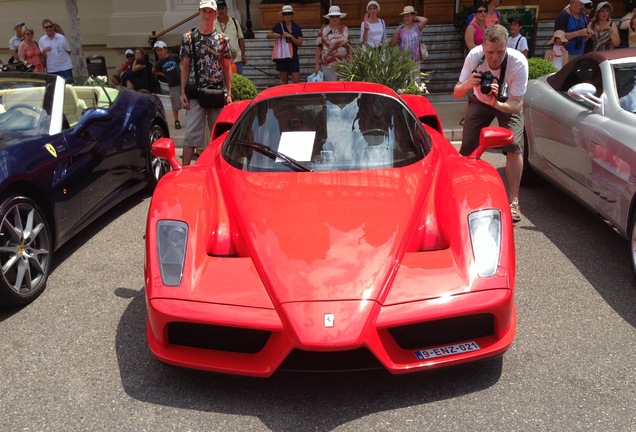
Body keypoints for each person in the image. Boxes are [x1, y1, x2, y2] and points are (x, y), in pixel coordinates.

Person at [453, 24, 529, 223]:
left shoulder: (518, 62)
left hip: (506, 102)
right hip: (479, 100)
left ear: (507, 47)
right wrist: (469, 84)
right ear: (483, 47)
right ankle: (465, 193)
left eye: (500, 52)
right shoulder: (474, 56)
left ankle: (513, 200)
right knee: (468, 147)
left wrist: (497, 103)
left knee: (514, 146)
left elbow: (517, 105)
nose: (494, 57)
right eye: (489, 52)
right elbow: (457, 92)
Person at [180, 0, 233, 166]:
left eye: (210, 11)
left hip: (216, 93)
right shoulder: (189, 38)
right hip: (196, 93)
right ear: (199, 12)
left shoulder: (223, 39)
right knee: (191, 136)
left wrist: (229, 93)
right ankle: (182, 171)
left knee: (220, 137)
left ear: (216, 14)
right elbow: (185, 67)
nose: (207, 15)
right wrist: (182, 92)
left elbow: (226, 68)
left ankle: (220, 169)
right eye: (204, 11)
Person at [267, 5, 303, 85]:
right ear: (282, 16)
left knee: (296, 79)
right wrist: (274, 34)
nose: (287, 16)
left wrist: (290, 36)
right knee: (284, 79)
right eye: (285, 14)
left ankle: (296, 95)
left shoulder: (297, 27)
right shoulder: (279, 26)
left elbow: (299, 43)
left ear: (292, 15)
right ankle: (285, 96)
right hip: (282, 56)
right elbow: (268, 35)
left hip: (293, 55)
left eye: (289, 14)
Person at [314, 5, 350, 82]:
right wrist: (317, 64)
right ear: (329, 18)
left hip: (343, 64)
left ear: (339, 17)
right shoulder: (323, 30)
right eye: (332, 16)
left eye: (336, 16)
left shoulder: (345, 29)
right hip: (328, 64)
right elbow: (318, 48)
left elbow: (349, 45)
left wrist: (350, 59)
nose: (334, 18)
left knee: (343, 88)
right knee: (331, 88)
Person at [152, 40, 183, 129]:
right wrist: (162, 74)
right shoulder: (159, 63)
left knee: (187, 100)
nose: (159, 52)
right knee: (175, 102)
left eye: (161, 50)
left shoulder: (173, 57)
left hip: (181, 81)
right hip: (172, 84)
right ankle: (176, 120)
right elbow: (153, 70)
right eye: (157, 50)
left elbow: (181, 60)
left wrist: (181, 69)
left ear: (165, 49)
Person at [214, 0, 246, 74]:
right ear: (216, 11)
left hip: (236, 60)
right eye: (219, 9)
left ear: (227, 10)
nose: (221, 11)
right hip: (220, 62)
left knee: (238, 82)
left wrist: (243, 55)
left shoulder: (234, 22)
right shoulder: (213, 25)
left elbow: (241, 39)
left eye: (223, 8)